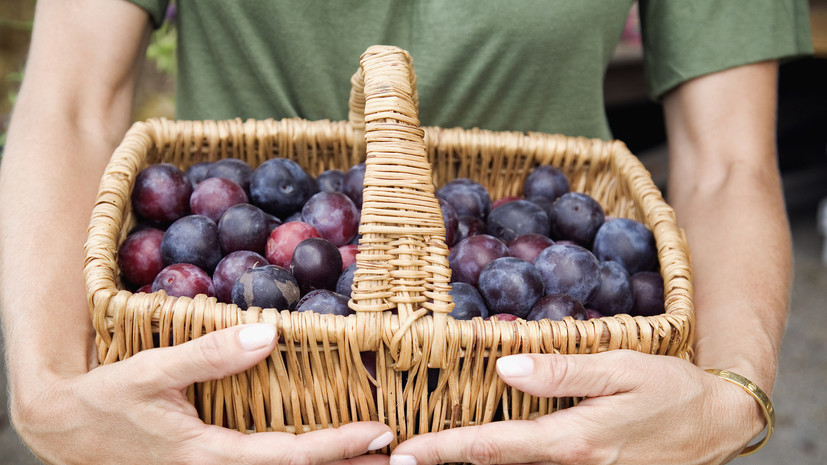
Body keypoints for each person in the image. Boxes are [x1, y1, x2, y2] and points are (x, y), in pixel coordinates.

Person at [0, 1, 812, 464]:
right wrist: (46, 390)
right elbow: (71, 104)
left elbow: (727, 165)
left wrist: (732, 395)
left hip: (546, 385)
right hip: (232, 393)